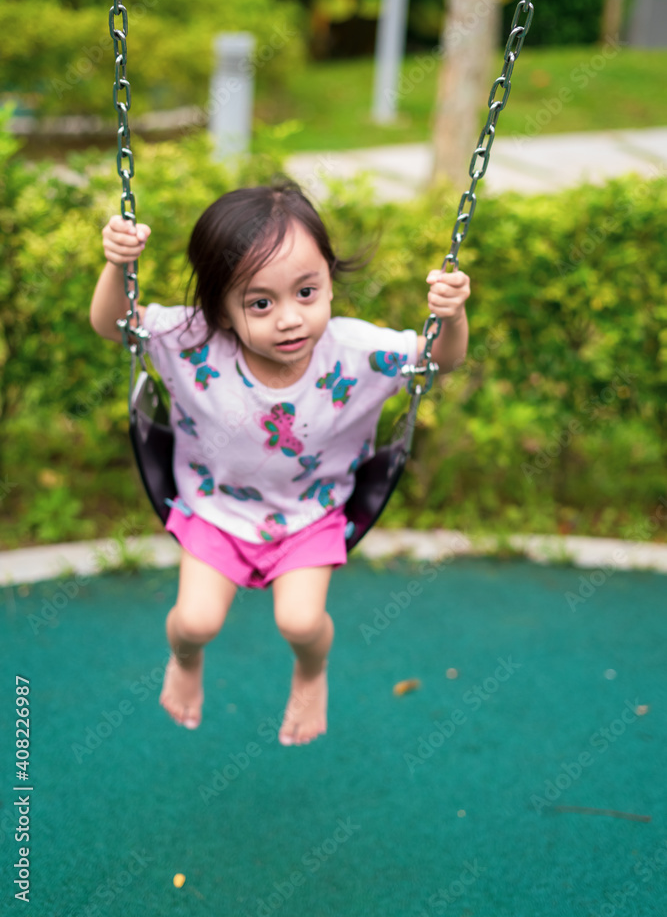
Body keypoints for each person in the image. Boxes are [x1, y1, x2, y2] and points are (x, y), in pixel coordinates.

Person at [90, 179, 470, 746]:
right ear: (220, 309)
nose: (290, 319)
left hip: (311, 514)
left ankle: (311, 673)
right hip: (213, 509)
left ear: (329, 281)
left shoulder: (359, 353)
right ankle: (186, 662)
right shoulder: (191, 343)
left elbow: (440, 360)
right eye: (261, 303)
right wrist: (117, 266)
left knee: (300, 622)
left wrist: (452, 314)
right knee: (195, 623)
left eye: (307, 292)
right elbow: (114, 324)